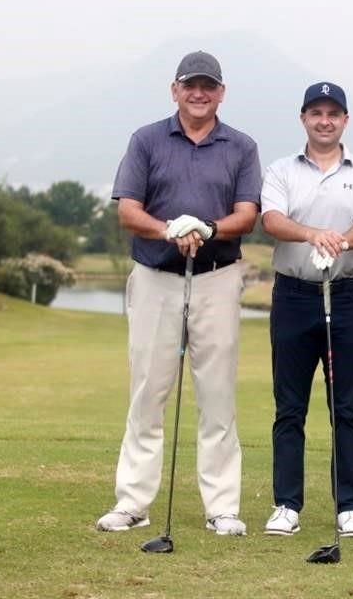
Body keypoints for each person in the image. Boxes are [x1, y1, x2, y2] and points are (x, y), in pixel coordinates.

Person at [96, 50, 262, 537]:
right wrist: (170, 231)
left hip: (216, 276)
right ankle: (133, 501)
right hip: (154, 276)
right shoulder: (146, 140)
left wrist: (207, 228)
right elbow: (128, 211)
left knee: (217, 393)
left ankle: (222, 506)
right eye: (191, 85)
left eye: (208, 86)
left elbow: (247, 215)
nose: (199, 93)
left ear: (221, 93)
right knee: (148, 389)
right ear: (175, 89)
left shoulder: (241, 146)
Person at [260, 82, 353, 538]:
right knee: (289, 406)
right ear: (303, 118)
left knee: (346, 407)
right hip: (293, 295)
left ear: (345, 120)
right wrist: (315, 234)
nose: (325, 120)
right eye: (316, 112)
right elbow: (272, 220)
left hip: (347, 295)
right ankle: (286, 504)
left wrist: (341, 240)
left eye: (333, 113)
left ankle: (349, 506)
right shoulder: (281, 170)